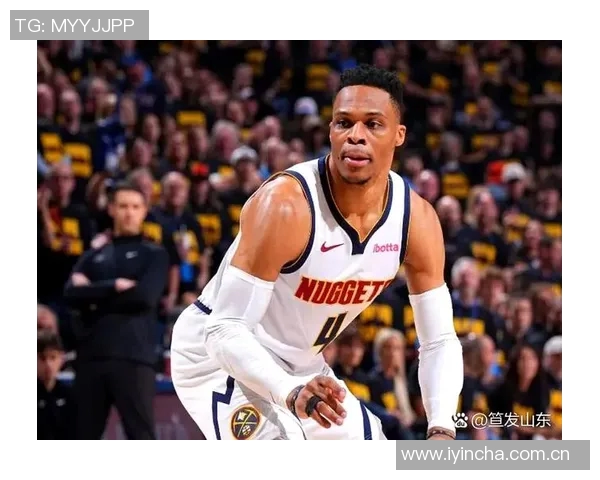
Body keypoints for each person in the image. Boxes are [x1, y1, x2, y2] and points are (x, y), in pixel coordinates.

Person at [170, 64, 463, 440]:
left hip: (302, 365)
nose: (355, 136)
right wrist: (289, 391)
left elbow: (438, 340)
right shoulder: (287, 204)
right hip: (219, 357)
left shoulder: (415, 220)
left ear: (398, 135)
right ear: (331, 130)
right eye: (344, 123)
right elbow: (224, 329)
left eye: (373, 124)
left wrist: (442, 427)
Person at [63, 181, 169, 439]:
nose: (129, 213)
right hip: (91, 357)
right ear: (111, 209)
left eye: (135, 207)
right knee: (80, 438)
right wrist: (113, 286)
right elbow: (70, 294)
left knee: (141, 437)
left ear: (144, 211)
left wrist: (93, 295)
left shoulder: (154, 254)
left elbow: (144, 297)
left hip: (134, 358)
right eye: (122, 206)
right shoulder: (94, 255)